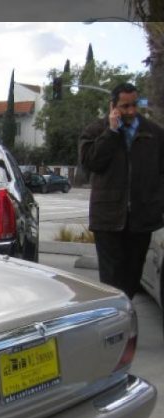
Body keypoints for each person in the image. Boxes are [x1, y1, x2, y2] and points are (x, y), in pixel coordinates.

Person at [79, 82, 164, 299]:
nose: (131, 111)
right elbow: (91, 163)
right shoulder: (95, 131)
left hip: (142, 219)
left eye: (134, 105)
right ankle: (118, 324)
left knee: (132, 279)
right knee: (111, 281)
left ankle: (125, 320)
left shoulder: (154, 134)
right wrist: (111, 132)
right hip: (107, 219)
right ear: (113, 106)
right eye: (125, 106)